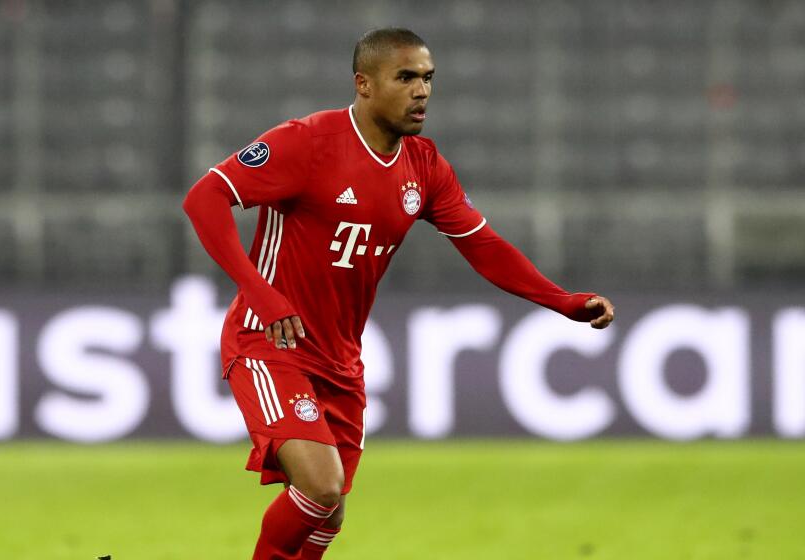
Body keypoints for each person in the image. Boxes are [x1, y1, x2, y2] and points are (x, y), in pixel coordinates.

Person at [182, 27, 614, 560]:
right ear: (364, 84)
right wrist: (261, 293)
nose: (422, 90)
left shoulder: (425, 167)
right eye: (405, 77)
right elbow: (205, 199)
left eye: (428, 78)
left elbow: (482, 244)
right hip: (270, 341)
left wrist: (562, 300)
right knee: (318, 488)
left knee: (329, 511)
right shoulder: (307, 142)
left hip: (340, 358)